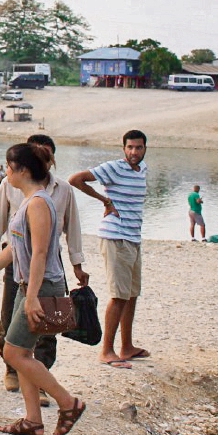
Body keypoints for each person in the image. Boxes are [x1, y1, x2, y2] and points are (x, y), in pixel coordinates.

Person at [0, 143, 87, 435]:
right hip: (29, 284)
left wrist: (32, 297)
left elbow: (41, 253)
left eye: (8, 167)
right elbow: (16, 248)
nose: (5, 172)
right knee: (22, 350)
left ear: (21, 170)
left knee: (13, 352)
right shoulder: (28, 201)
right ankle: (33, 420)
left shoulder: (38, 204)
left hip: (41, 285)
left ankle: (67, 403)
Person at [69, 129, 149, 368]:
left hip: (133, 238)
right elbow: (75, 179)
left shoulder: (142, 169)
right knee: (118, 295)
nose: (134, 152)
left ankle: (126, 346)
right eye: (130, 148)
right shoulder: (114, 167)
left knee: (132, 294)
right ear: (123, 149)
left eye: (138, 147)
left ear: (145, 148)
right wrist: (104, 201)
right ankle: (106, 350)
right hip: (115, 237)